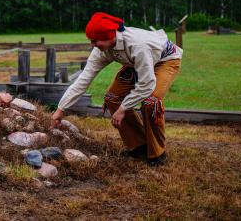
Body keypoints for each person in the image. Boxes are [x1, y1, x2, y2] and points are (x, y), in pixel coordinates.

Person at [50, 12, 182, 166]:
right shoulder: (101, 50)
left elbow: (146, 84)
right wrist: (61, 109)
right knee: (112, 98)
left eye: (95, 41)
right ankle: (139, 146)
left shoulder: (137, 45)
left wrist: (123, 109)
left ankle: (158, 154)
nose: (92, 45)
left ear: (109, 36)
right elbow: (83, 80)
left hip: (165, 59)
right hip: (135, 62)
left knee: (151, 102)